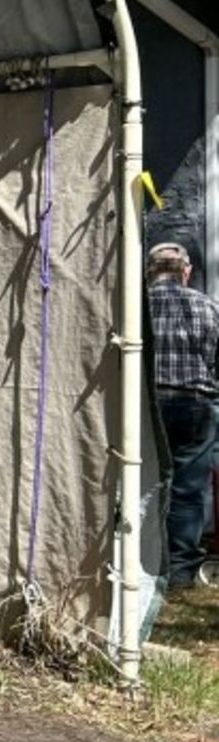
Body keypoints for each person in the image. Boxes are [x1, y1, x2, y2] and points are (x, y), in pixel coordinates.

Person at [146, 242, 219, 590]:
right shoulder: (208, 306)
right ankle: (180, 573)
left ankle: (143, 564)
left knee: (144, 484)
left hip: (147, 406)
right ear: (185, 271)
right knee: (188, 489)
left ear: (150, 271)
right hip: (195, 404)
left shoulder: (137, 308)